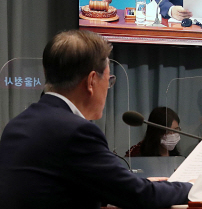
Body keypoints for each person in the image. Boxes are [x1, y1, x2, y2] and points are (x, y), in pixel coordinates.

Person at [0, 30, 191, 208]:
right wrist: (193, 188)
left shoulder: (16, 125)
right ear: (91, 81)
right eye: (109, 81)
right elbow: (139, 196)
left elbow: (60, 187)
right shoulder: (75, 132)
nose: (108, 89)